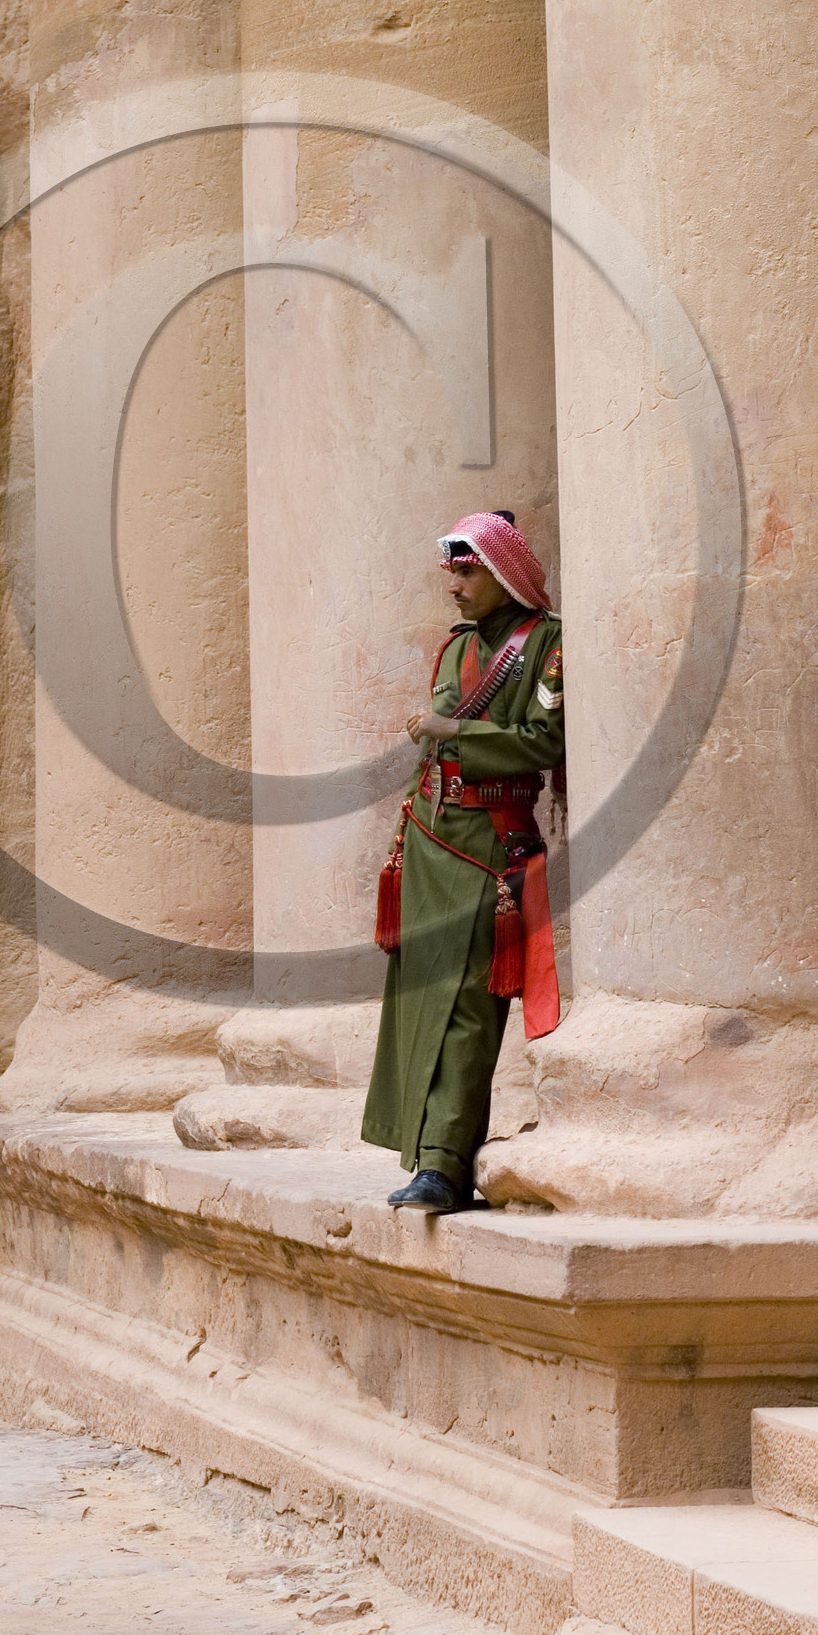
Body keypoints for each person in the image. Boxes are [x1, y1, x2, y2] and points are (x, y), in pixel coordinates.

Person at [362, 513, 564, 1213]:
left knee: (469, 1005)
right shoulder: (455, 649)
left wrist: (456, 728)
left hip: (487, 842)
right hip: (428, 838)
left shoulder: (545, 642)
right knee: (421, 998)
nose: (454, 585)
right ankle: (421, 1151)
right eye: (452, 570)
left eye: (469, 570)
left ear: (504, 572)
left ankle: (446, 1167)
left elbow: (545, 739)